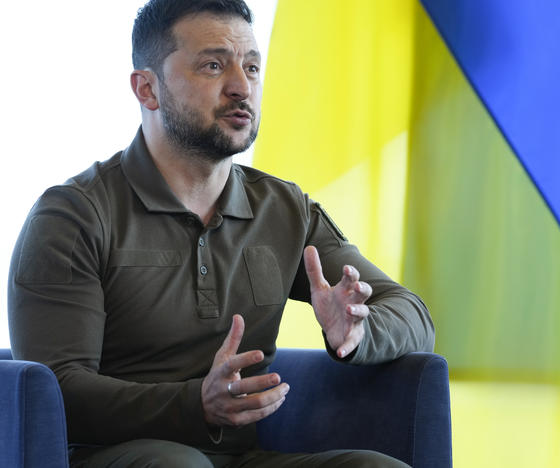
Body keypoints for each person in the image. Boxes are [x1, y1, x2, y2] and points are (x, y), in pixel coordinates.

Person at [7, 0, 434, 466]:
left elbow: (412, 315)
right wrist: (197, 405)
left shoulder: (286, 208)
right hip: (108, 455)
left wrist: (355, 332)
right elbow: (54, 391)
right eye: (213, 66)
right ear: (147, 88)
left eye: (251, 67)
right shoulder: (73, 215)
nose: (241, 86)